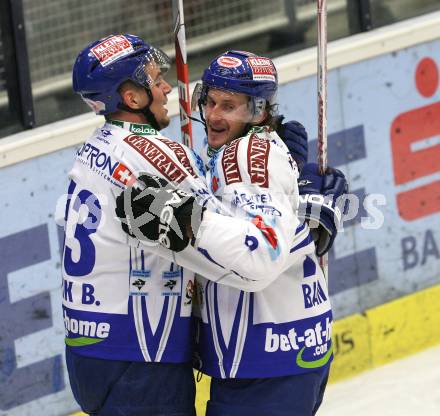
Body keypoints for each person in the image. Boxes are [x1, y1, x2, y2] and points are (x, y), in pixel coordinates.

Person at [63, 34, 315, 416]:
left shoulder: (95, 147)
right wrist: (303, 187)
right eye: (154, 80)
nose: (166, 88)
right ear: (132, 98)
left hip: (90, 346)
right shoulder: (158, 154)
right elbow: (237, 233)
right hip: (139, 354)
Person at [117, 50, 348, 416]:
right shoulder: (250, 148)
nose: (211, 114)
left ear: (258, 111)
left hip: (265, 359)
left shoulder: (241, 157)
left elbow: (262, 253)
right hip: (289, 348)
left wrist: (182, 218)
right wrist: (309, 216)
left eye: (228, 105)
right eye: (208, 100)